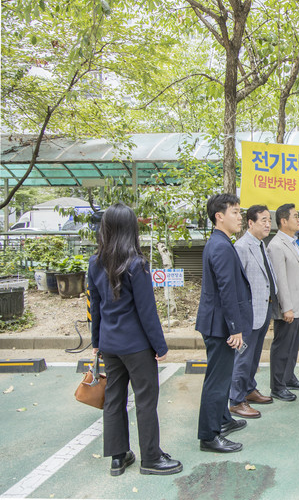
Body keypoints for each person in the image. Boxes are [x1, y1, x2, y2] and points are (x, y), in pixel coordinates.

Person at [88, 202, 182, 476]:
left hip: (109, 344)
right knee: (145, 400)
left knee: (114, 399)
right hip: (137, 346)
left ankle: (118, 457)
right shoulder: (137, 264)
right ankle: (150, 458)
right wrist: (160, 346)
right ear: (131, 229)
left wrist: (97, 342)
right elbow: (146, 310)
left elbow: (95, 306)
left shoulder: (95, 262)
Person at [196, 193, 252, 453]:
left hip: (218, 322)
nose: (240, 217)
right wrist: (235, 328)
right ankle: (209, 436)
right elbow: (226, 290)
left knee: (222, 377)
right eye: (235, 212)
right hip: (220, 325)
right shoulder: (220, 246)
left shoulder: (220, 242)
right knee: (217, 382)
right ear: (219, 216)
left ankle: (222, 419)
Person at [229, 205, 276, 419]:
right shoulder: (241, 247)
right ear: (250, 223)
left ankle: (249, 389)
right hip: (248, 313)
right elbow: (237, 285)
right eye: (263, 220)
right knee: (243, 357)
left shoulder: (260, 244)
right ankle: (236, 400)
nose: (268, 224)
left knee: (254, 355)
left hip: (263, 308)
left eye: (269, 220)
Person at [267, 203, 299, 401]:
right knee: (282, 346)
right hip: (289, 307)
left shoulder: (292, 242)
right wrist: (286, 308)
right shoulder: (277, 245)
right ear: (284, 221)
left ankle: (288, 377)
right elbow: (280, 280)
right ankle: (278, 386)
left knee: (293, 346)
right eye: (295, 216)